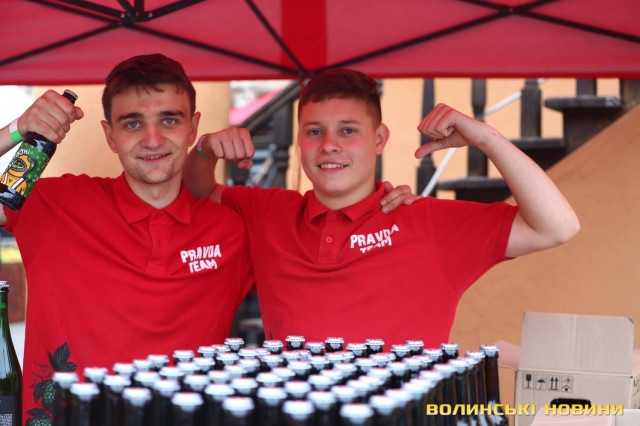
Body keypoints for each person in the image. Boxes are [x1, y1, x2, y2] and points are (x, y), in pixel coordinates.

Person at [185, 68, 580, 350]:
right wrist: (204, 150)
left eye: (348, 130)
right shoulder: (268, 212)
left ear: (379, 139)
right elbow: (195, 193)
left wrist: (487, 139)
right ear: (300, 140)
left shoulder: (428, 221)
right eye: (314, 131)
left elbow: (556, 227)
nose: (329, 145)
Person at [0, 54, 254, 422]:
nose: (152, 140)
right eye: (132, 123)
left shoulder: (232, 230)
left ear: (193, 128)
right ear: (110, 136)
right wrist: (16, 130)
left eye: (169, 120)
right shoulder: (56, 204)